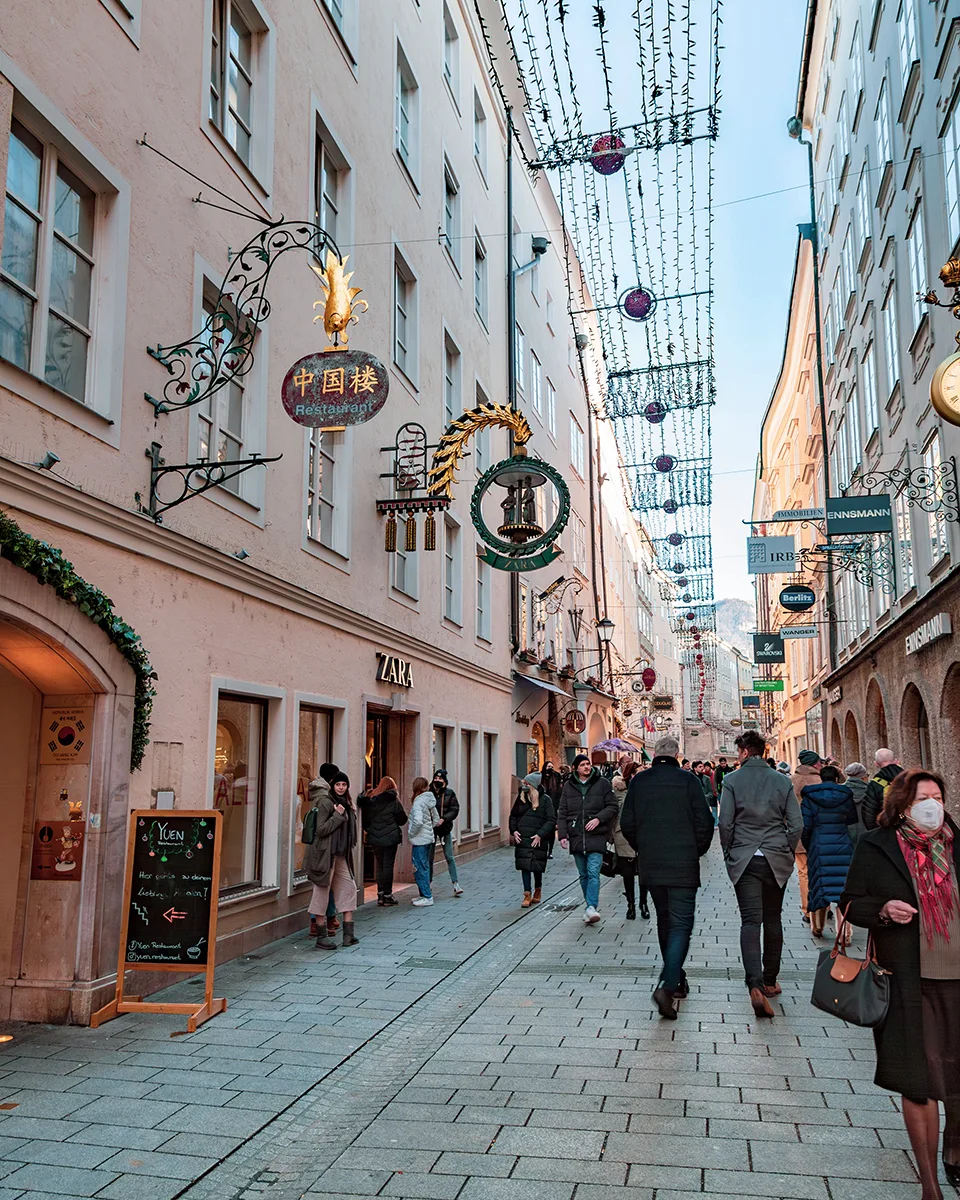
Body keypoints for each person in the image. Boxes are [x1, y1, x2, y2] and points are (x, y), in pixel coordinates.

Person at [842, 770, 960, 1199]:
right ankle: (930, 1184)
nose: (932, 804)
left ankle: (955, 1153)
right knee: (919, 1078)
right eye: (921, 798)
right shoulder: (877, 846)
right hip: (907, 978)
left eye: (937, 796)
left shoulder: (957, 843)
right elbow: (851, 902)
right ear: (902, 806)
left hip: (957, 976)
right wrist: (885, 910)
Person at [620, 735, 714, 1019]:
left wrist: (644, 848)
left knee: (665, 920)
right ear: (677, 754)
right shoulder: (688, 782)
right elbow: (705, 822)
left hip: (652, 865)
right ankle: (668, 982)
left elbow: (628, 823)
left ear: (654, 754)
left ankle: (676, 977)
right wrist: (695, 850)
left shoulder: (639, 782)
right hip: (683, 865)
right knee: (682, 925)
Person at [719, 731, 803, 1019]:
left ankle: (753, 983)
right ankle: (770, 980)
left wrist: (730, 851)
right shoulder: (782, 780)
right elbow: (796, 823)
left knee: (750, 921)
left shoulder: (731, 780)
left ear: (743, 751)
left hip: (745, 859)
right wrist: (785, 849)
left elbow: (725, 822)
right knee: (773, 919)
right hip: (775, 858)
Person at [557, 754, 618, 926]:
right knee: (583, 874)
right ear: (576, 767)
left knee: (593, 872)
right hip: (576, 836)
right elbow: (562, 812)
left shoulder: (602, 783)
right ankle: (589, 907)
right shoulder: (569, 787)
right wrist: (562, 835)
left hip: (596, 836)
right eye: (583, 764)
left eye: (588, 764)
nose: (587, 767)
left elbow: (613, 806)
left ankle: (591, 906)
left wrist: (598, 818)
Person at [800, 764, 858, 941]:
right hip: (842, 844)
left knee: (819, 886)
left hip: (819, 844)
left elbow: (806, 825)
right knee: (843, 889)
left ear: (821, 778)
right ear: (836, 778)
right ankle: (845, 933)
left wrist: (808, 843)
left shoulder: (810, 796)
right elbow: (852, 819)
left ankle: (817, 926)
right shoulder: (845, 795)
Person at [305, 771, 359, 949]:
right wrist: (337, 816)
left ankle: (348, 935)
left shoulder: (347, 803)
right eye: (338, 785)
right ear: (333, 786)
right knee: (321, 891)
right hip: (325, 855)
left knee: (349, 887)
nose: (341, 788)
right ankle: (321, 935)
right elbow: (320, 830)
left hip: (341, 854)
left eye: (344, 785)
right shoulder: (326, 802)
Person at [358, 776, 407, 906]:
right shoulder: (394, 801)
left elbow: (365, 819)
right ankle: (387, 895)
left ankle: (380, 894)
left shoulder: (371, 801)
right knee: (388, 866)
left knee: (379, 865)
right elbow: (402, 820)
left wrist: (371, 829)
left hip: (375, 838)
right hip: (390, 838)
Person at [306, 763, 341, 939]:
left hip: (324, 847)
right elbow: (321, 828)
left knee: (326, 885)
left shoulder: (321, 795)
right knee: (323, 885)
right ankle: (318, 923)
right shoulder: (325, 798)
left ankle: (329, 918)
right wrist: (338, 816)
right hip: (323, 848)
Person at [509, 781, 556, 906]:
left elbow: (551, 819)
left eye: (527, 783)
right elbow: (513, 816)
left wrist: (541, 834)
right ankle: (527, 894)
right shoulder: (521, 799)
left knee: (536, 866)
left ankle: (538, 890)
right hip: (523, 837)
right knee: (525, 866)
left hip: (538, 837)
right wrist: (514, 831)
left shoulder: (545, 800)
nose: (524, 785)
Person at [612, 762, 648, 920]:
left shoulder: (646, 788)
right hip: (623, 834)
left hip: (644, 833)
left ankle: (644, 903)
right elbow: (613, 810)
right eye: (637, 773)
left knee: (644, 872)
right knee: (627, 872)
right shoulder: (618, 789)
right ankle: (631, 905)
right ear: (631, 774)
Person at [791, 749, 823, 920]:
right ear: (814, 763)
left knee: (803, 872)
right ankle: (822, 907)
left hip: (800, 832)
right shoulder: (820, 779)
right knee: (820, 871)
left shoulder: (793, 781)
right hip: (820, 832)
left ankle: (808, 910)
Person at [428, 769, 464, 897]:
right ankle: (428, 884)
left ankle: (456, 884)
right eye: (435, 779)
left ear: (444, 781)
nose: (437, 781)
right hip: (431, 829)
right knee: (429, 858)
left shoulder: (449, 793)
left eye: (440, 779)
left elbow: (455, 809)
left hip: (445, 828)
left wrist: (444, 819)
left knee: (449, 856)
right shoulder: (429, 793)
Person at [407, 778, 440, 907]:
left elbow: (418, 821)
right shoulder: (429, 800)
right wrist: (429, 829)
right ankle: (424, 895)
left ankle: (427, 896)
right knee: (424, 866)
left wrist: (411, 833)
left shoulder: (418, 802)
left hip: (420, 840)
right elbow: (436, 818)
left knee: (419, 868)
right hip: (428, 838)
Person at [862, 748, 904, 831]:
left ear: (876, 764)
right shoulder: (909, 779)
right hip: (909, 829)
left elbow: (868, 814)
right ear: (895, 761)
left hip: (886, 829)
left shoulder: (874, 784)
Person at [539, 760, 563, 858]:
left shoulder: (556, 777)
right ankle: (543, 849)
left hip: (553, 806)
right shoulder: (541, 777)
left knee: (551, 830)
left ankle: (550, 851)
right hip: (542, 807)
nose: (550, 768)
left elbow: (559, 792)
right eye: (548, 766)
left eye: (552, 767)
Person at [843, 762, 870, 845]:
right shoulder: (870, 791)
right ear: (863, 777)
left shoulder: (841, 791)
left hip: (845, 832)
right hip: (867, 832)